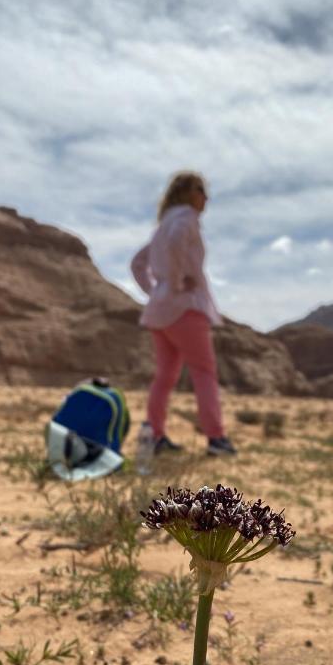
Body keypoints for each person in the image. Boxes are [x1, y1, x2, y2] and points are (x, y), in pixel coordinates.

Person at [130, 171, 236, 464]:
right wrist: (176, 284)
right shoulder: (185, 219)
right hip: (185, 308)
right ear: (189, 193)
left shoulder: (162, 226)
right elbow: (177, 243)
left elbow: (138, 263)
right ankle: (216, 438)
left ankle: (156, 436)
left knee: (164, 377)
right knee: (204, 373)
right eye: (201, 190)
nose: (206, 198)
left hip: (159, 312)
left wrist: (156, 290)